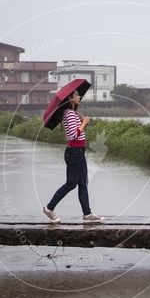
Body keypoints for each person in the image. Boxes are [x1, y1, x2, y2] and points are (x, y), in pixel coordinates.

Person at [43, 91, 104, 223]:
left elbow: (77, 132)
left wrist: (83, 122)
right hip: (74, 152)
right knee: (71, 184)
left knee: (83, 183)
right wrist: (84, 123)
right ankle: (49, 208)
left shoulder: (72, 113)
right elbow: (72, 135)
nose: (79, 97)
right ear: (70, 99)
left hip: (79, 151)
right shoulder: (69, 113)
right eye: (76, 95)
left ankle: (87, 214)